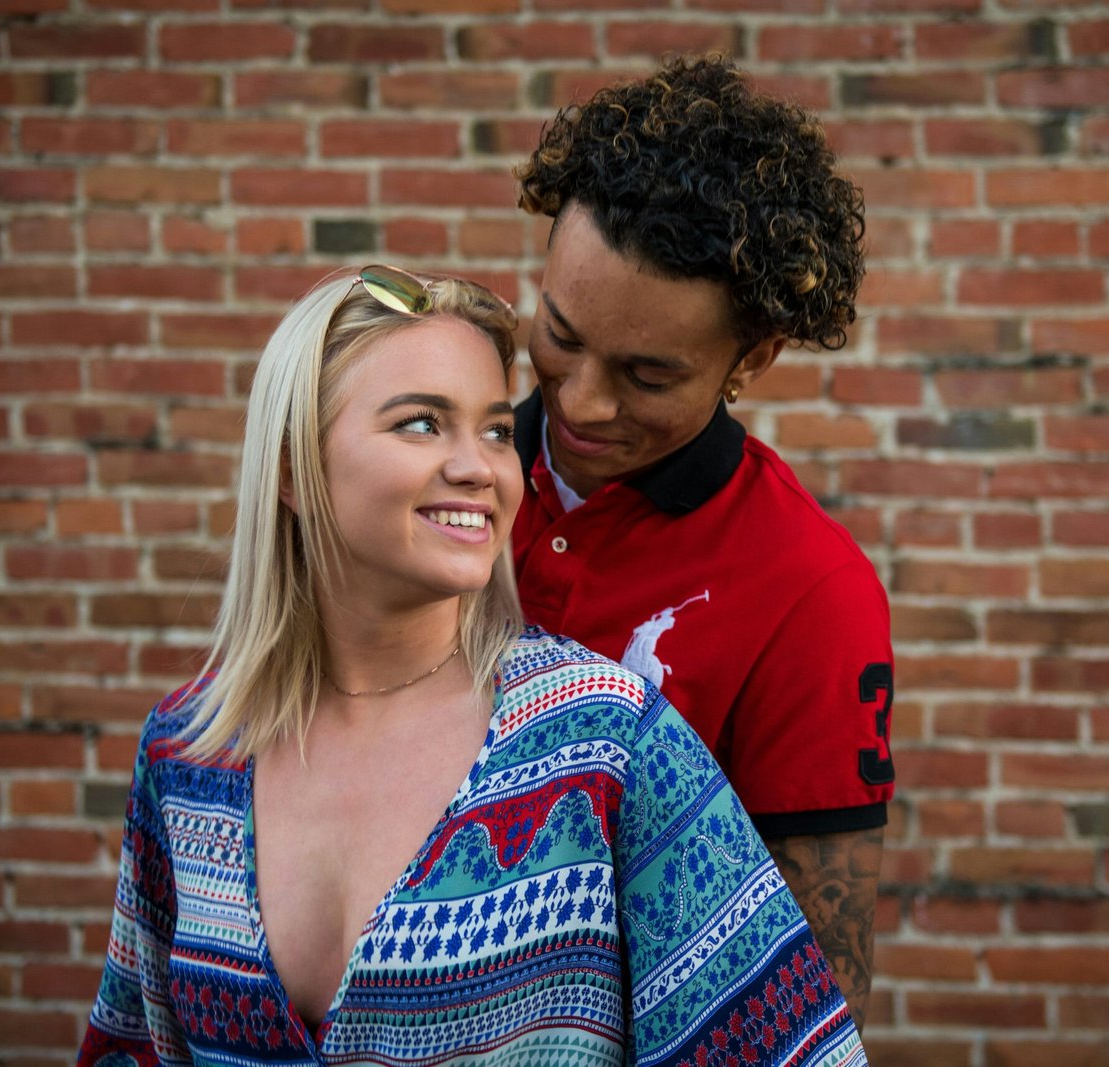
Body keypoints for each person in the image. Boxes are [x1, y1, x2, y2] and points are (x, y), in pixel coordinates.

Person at [78, 265, 866, 1065]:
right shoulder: (187, 752)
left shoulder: (606, 745)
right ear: (292, 467)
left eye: (495, 429)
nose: (481, 466)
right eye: (422, 424)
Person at [511, 54, 893, 1028]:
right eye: (558, 332)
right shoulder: (422, 483)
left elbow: (812, 986)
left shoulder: (812, 591)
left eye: (647, 374)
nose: (581, 401)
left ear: (752, 356)